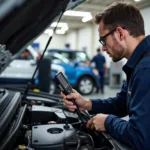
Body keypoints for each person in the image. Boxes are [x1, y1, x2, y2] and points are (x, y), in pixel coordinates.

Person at [61, 2, 150, 149]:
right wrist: (87, 104)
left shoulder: (146, 68)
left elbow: (142, 138)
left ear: (120, 33)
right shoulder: (138, 63)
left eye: (103, 40)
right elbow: (123, 103)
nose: (102, 48)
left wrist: (108, 122)